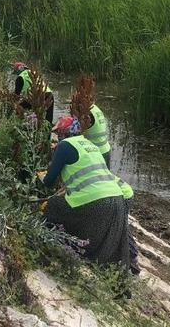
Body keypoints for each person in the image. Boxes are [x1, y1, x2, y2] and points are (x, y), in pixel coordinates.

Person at [40, 116, 133, 270]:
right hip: (117, 199)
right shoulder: (92, 145)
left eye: (59, 133)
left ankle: (56, 245)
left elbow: (49, 181)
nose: (57, 137)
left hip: (95, 202)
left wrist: (43, 177)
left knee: (54, 206)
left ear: (64, 133)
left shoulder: (64, 145)